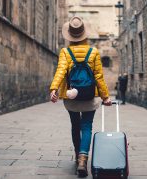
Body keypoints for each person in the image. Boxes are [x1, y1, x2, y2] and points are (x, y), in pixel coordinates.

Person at [49, 16, 111, 177]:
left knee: (75, 126)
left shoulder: (65, 52)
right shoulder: (94, 52)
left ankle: (77, 156)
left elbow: (61, 71)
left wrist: (54, 88)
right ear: (84, 35)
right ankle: (84, 159)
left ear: (69, 35)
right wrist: (105, 97)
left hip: (72, 97)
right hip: (90, 96)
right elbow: (98, 76)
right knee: (87, 126)